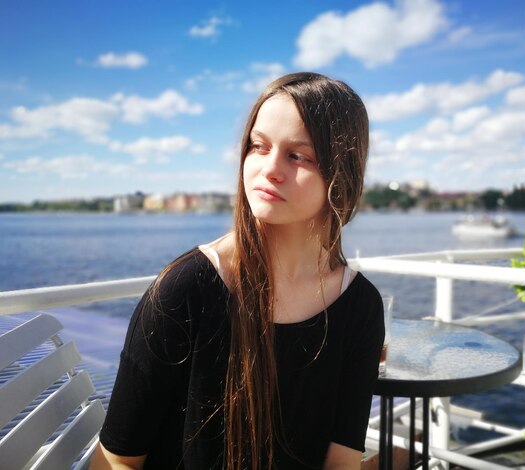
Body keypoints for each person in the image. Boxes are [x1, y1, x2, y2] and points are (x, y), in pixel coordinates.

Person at [90, 72, 385, 470]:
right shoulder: (186, 290)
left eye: (298, 155)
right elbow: (118, 460)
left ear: (342, 173)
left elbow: (343, 458)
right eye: (258, 147)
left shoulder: (360, 306)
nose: (270, 169)